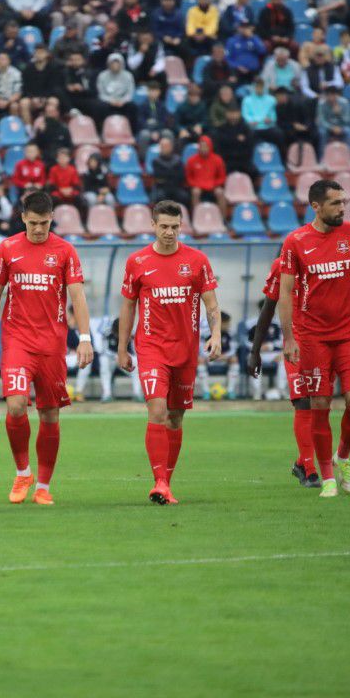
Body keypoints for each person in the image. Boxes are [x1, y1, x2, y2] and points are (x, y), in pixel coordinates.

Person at [0, 190, 93, 505]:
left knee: (49, 413)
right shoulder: (8, 248)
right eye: (33, 223)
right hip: (17, 340)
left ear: (52, 218)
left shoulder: (65, 251)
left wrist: (85, 338)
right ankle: (23, 473)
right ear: (23, 219)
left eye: (44, 223)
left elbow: (77, 295)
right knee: (16, 405)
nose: (39, 229)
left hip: (52, 344)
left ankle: (43, 486)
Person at [279, 179, 350, 499]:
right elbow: (285, 292)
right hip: (312, 336)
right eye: (335, 203)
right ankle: (327, 477)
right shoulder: (295, 241)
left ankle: (343, 457)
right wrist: (289, 338)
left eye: (343, 202)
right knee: (320, 404)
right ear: (316, 206)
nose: (342, 208)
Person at [116, 201, 221, 504]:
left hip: (185, 350)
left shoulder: (197, 260)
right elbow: (128, 306)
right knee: (158, 410)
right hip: (151, 348)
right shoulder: (137, 261)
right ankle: (159, 482)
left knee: (175, 417)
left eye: (175, 227)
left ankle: (166, 483)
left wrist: (215, 335)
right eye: (163, 226)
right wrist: (122, 347)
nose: (169, 232)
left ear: (181, 226)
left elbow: (212, 304)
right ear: (153, 225)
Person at [246, 251, 321, 487]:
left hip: (323, 342)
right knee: (303, 402)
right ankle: (309, 470)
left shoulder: (324, 262)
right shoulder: (281, 266)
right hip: (294, 343)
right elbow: (268, 308)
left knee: (320, 405)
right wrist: (255, 351)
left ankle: (301, 462)